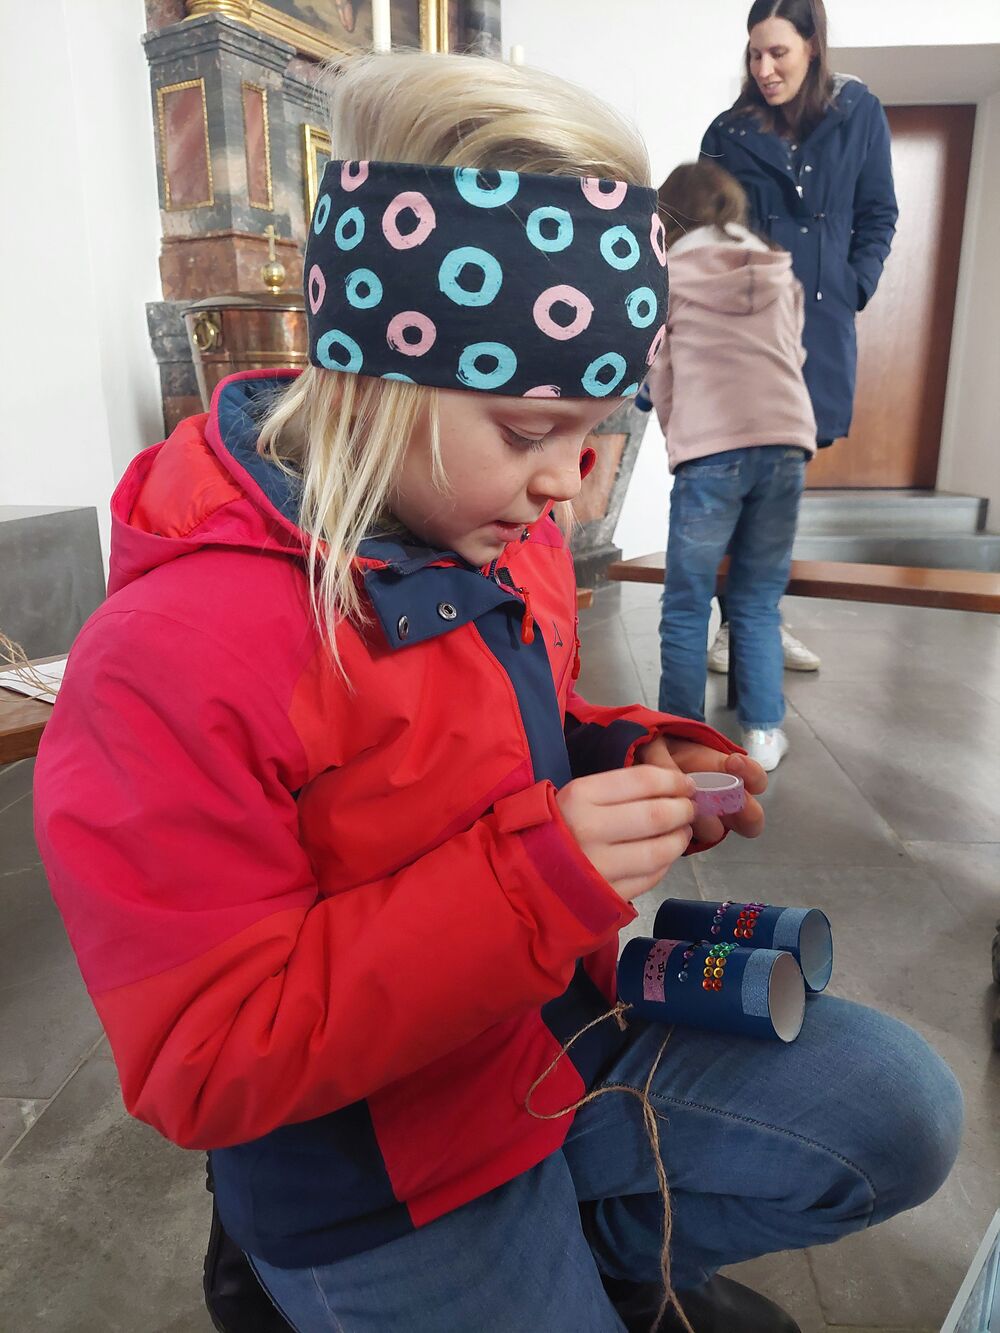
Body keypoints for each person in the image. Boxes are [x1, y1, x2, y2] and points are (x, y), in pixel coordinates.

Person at [33, 51, 959, 1333]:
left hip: (554, 1049)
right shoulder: (172, 658)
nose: (570, 486)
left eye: (598, 431)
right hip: (374, 1174)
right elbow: (205, 1054)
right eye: (529, 431)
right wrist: (535, 881)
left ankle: (582, 1240)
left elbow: (500, 740)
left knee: (901, 1110)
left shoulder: (500, 535)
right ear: (373, 379)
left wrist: (626, 757)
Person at [700, 0, 898, 677]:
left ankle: (759, 618)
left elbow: (878, 211)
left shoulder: (858, 111)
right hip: (747, 326)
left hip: (819, 325)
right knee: (743, 478)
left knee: (786, 481)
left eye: (778, 52)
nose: (764, 68)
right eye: (755, 53)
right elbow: (700, 226)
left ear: (812, 46)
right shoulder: (728, 131)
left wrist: (853, 285)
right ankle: (738, 625)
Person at [647, 161, 816, 772]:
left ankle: (684, 738)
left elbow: (660, 370)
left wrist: (681, 436)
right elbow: (794, 353)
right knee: (758, 598)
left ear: (668, 216)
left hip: (710, 451)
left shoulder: (668, 275)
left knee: (687, 601)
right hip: (787, 441)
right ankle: (764, 734)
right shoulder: (778, 269)